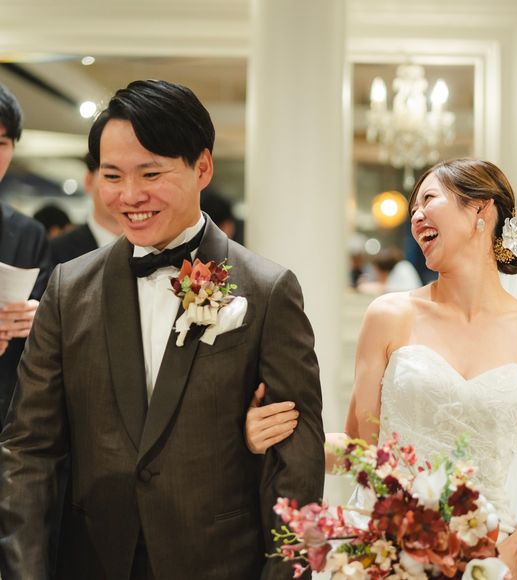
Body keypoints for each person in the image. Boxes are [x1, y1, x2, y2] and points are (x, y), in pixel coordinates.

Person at [0, 79, 324, 580]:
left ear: (202, 167)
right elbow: (30, 450)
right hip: (91, 561)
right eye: (112, 175)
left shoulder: (267, 291)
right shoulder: (68, 288)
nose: (130, 196)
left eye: (151, 173)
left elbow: (296, 464)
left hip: (219, 563)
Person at [245, 158, 517, 580]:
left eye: (428, 199)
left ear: (480, 208)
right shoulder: (389, 315)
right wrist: (277, 436)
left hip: (485, 556)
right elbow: (358, 450)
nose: (416, 216)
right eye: (413, 209)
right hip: (389, 552)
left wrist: (513, 550)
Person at [0, 82, 51, 426]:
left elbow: (50, 329)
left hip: (9, 412)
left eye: (2, 143)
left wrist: (38, 319)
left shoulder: (28, 234)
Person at [49, 153, 122, 265]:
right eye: (112, 177)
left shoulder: (149, 246)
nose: (127, 191)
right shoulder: (55, 251)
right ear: (88, 181)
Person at [356, 247, 422, 295]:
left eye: (377, 272)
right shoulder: (402, 267)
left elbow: (388, 289)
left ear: (383, 272)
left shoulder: (402, 267)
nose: (376, 275)